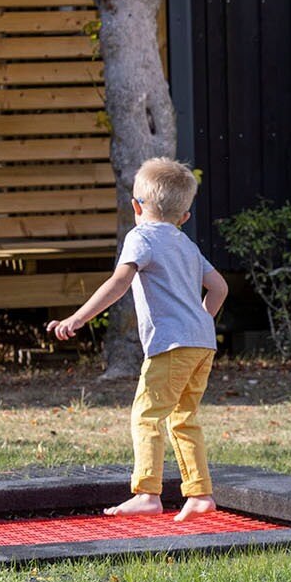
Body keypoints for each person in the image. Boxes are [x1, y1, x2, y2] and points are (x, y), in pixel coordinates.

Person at [47, 158, 228, 519]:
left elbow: (118, 283)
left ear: (136, 206)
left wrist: (78, 317)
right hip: (202, 344)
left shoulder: (140, 237)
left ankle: (147, 493)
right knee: (184, 417)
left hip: (172, 346)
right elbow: (219, 287)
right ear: (184, 217)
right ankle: (199, 494)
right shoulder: (186, 244)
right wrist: (200, 321)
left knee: (146, 415)